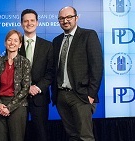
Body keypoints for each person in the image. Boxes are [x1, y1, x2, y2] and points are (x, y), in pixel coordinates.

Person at [51, 6, 103, 141]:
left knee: (85, 137)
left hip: (81, 95)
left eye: (69, 17)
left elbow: (97, 66)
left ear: (76, 18)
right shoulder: (57, 41)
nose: (65, 21)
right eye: (62, 18)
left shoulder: (88, 35)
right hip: (61, 96)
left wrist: (91, 94)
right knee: (72, 136)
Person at [18, 9, 53, 141]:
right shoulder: (15, 43)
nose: (29, 23)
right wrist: (26, 87)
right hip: (19, 98)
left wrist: (37, 87)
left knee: (41, 134)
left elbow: (51, 72)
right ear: (22, 24)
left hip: (40, 98)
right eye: (26, 21)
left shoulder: (48, 46)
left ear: (37, 23)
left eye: (32, 20)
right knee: (20, 134)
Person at [0, 29, 31, 141]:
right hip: (0, 105)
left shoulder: (25, 62)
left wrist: (9, 107)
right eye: (9, 40)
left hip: (18, 106)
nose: (12, 43)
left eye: (15, 40)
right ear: (5, 43)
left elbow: (25, 88)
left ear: (20, 44)